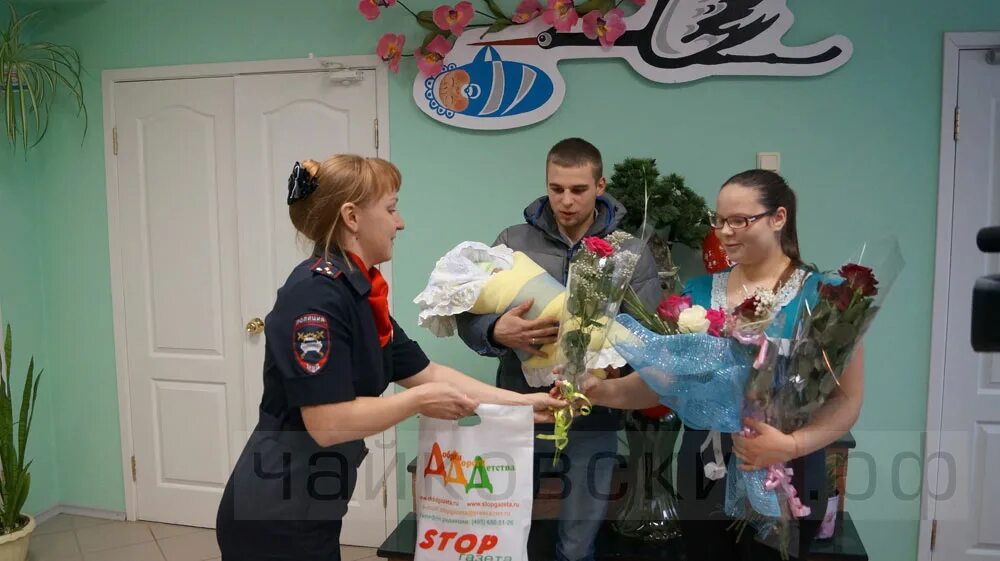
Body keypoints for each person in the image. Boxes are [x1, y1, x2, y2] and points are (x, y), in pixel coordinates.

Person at [216, 155, 564, 561]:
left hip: (313, 499)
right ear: (352, 217)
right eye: (391, 208)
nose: (400, 223)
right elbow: (326, 424)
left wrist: (524, 403)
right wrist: (416, 403)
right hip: (275, 509)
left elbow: (427, 373)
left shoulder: (360, 293)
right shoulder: (315, 297)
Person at [583, 169, 865, 561]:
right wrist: (602, 391)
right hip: (705, 465)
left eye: (740, 220)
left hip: (788, 469)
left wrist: (790, 444)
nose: (725, 232)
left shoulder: (823, 296)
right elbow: (665, 383)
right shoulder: (697, 294)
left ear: (778, 218)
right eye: (719, 220)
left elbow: (846, 400)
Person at [456, 138, 661, 561]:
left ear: (600, 185)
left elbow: (646, 336)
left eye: (578, 190)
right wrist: (497, 331)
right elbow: (467, 316)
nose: (566, 201)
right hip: (521, 406)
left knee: (578, 544)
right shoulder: (512, 242)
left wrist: (606, 369)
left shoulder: (630, 252)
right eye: (556, 189)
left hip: (595, 414)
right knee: (505, 529)